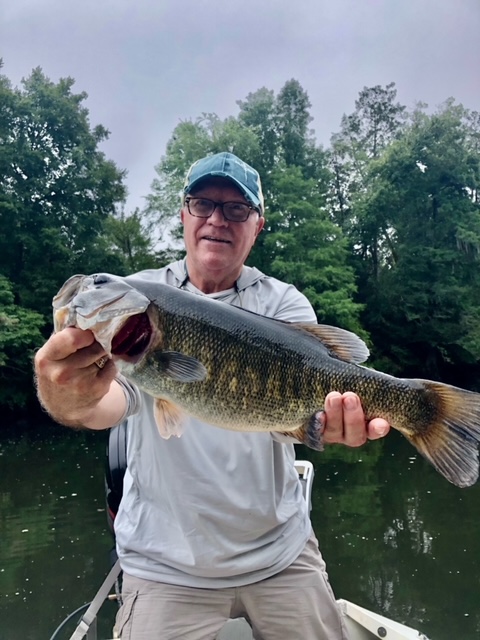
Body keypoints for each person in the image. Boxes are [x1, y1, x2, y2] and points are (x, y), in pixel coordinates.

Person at [34, 152, 390, 640]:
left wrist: (326, 424)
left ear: (257, 226)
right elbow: (106, 405)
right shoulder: (143, 295)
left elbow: (303, 415)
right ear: (183, 214)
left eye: (236, 210)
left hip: (279, 555)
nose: (217, 219)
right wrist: (66, 394)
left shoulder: (282, 304)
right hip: (166, 566)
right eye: (203, 204)